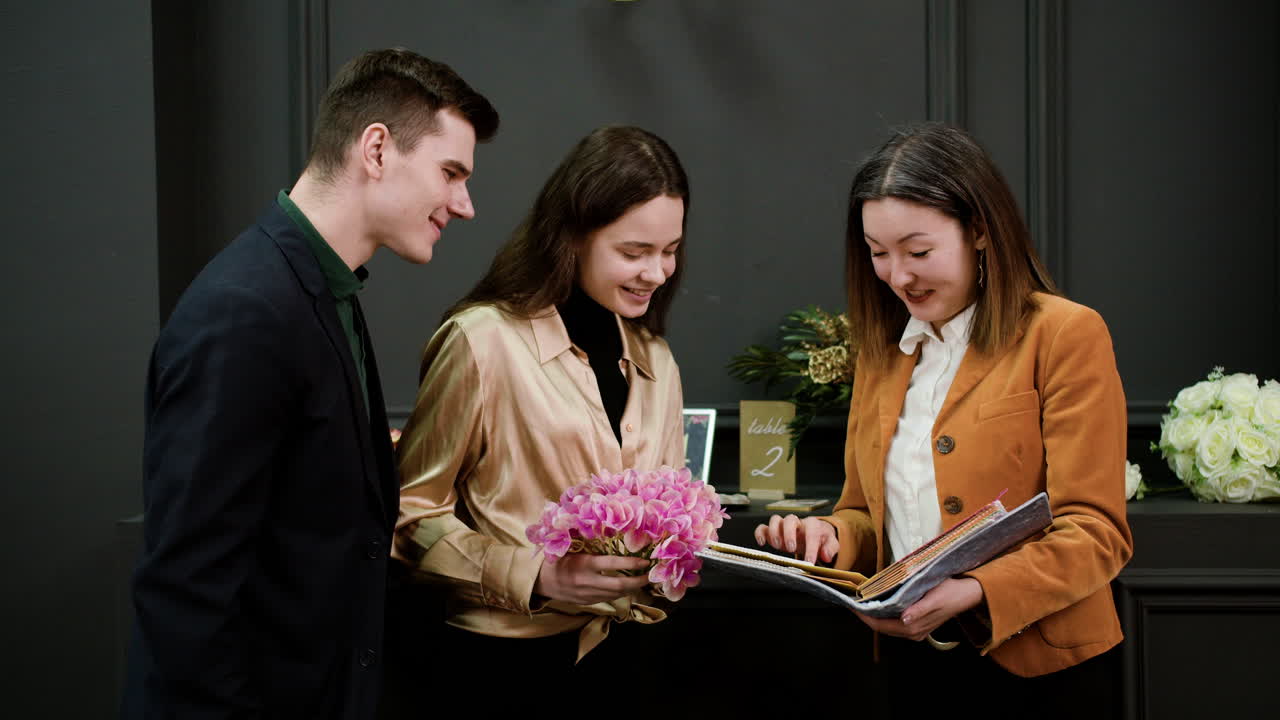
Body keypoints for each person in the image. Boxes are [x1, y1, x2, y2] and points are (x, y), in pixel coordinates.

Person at [123, 48, 498, 719]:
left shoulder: (327, 292)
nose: (464, 204)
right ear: (376, 149)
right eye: (451, 173)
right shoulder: (246, 310)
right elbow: (187, 594)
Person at [754, 123, 1132, 717]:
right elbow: (862, 512)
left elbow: (1095, 531)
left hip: (1042, 669)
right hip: (914, 664)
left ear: (980, 229)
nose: (898, 276)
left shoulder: (1062, 333)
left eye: (919, 251)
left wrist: (979, 590)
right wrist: (829, 538)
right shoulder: (883, 353)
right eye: (878, 254)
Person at [392, 125, 689, 703]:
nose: (656, 272)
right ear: (572, 236)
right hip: (502, 668)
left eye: (670, 251)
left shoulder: (657, 358)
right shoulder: (481, 341)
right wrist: (537, 575)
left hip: (632, 658)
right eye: (634, 252)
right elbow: (408, 513)